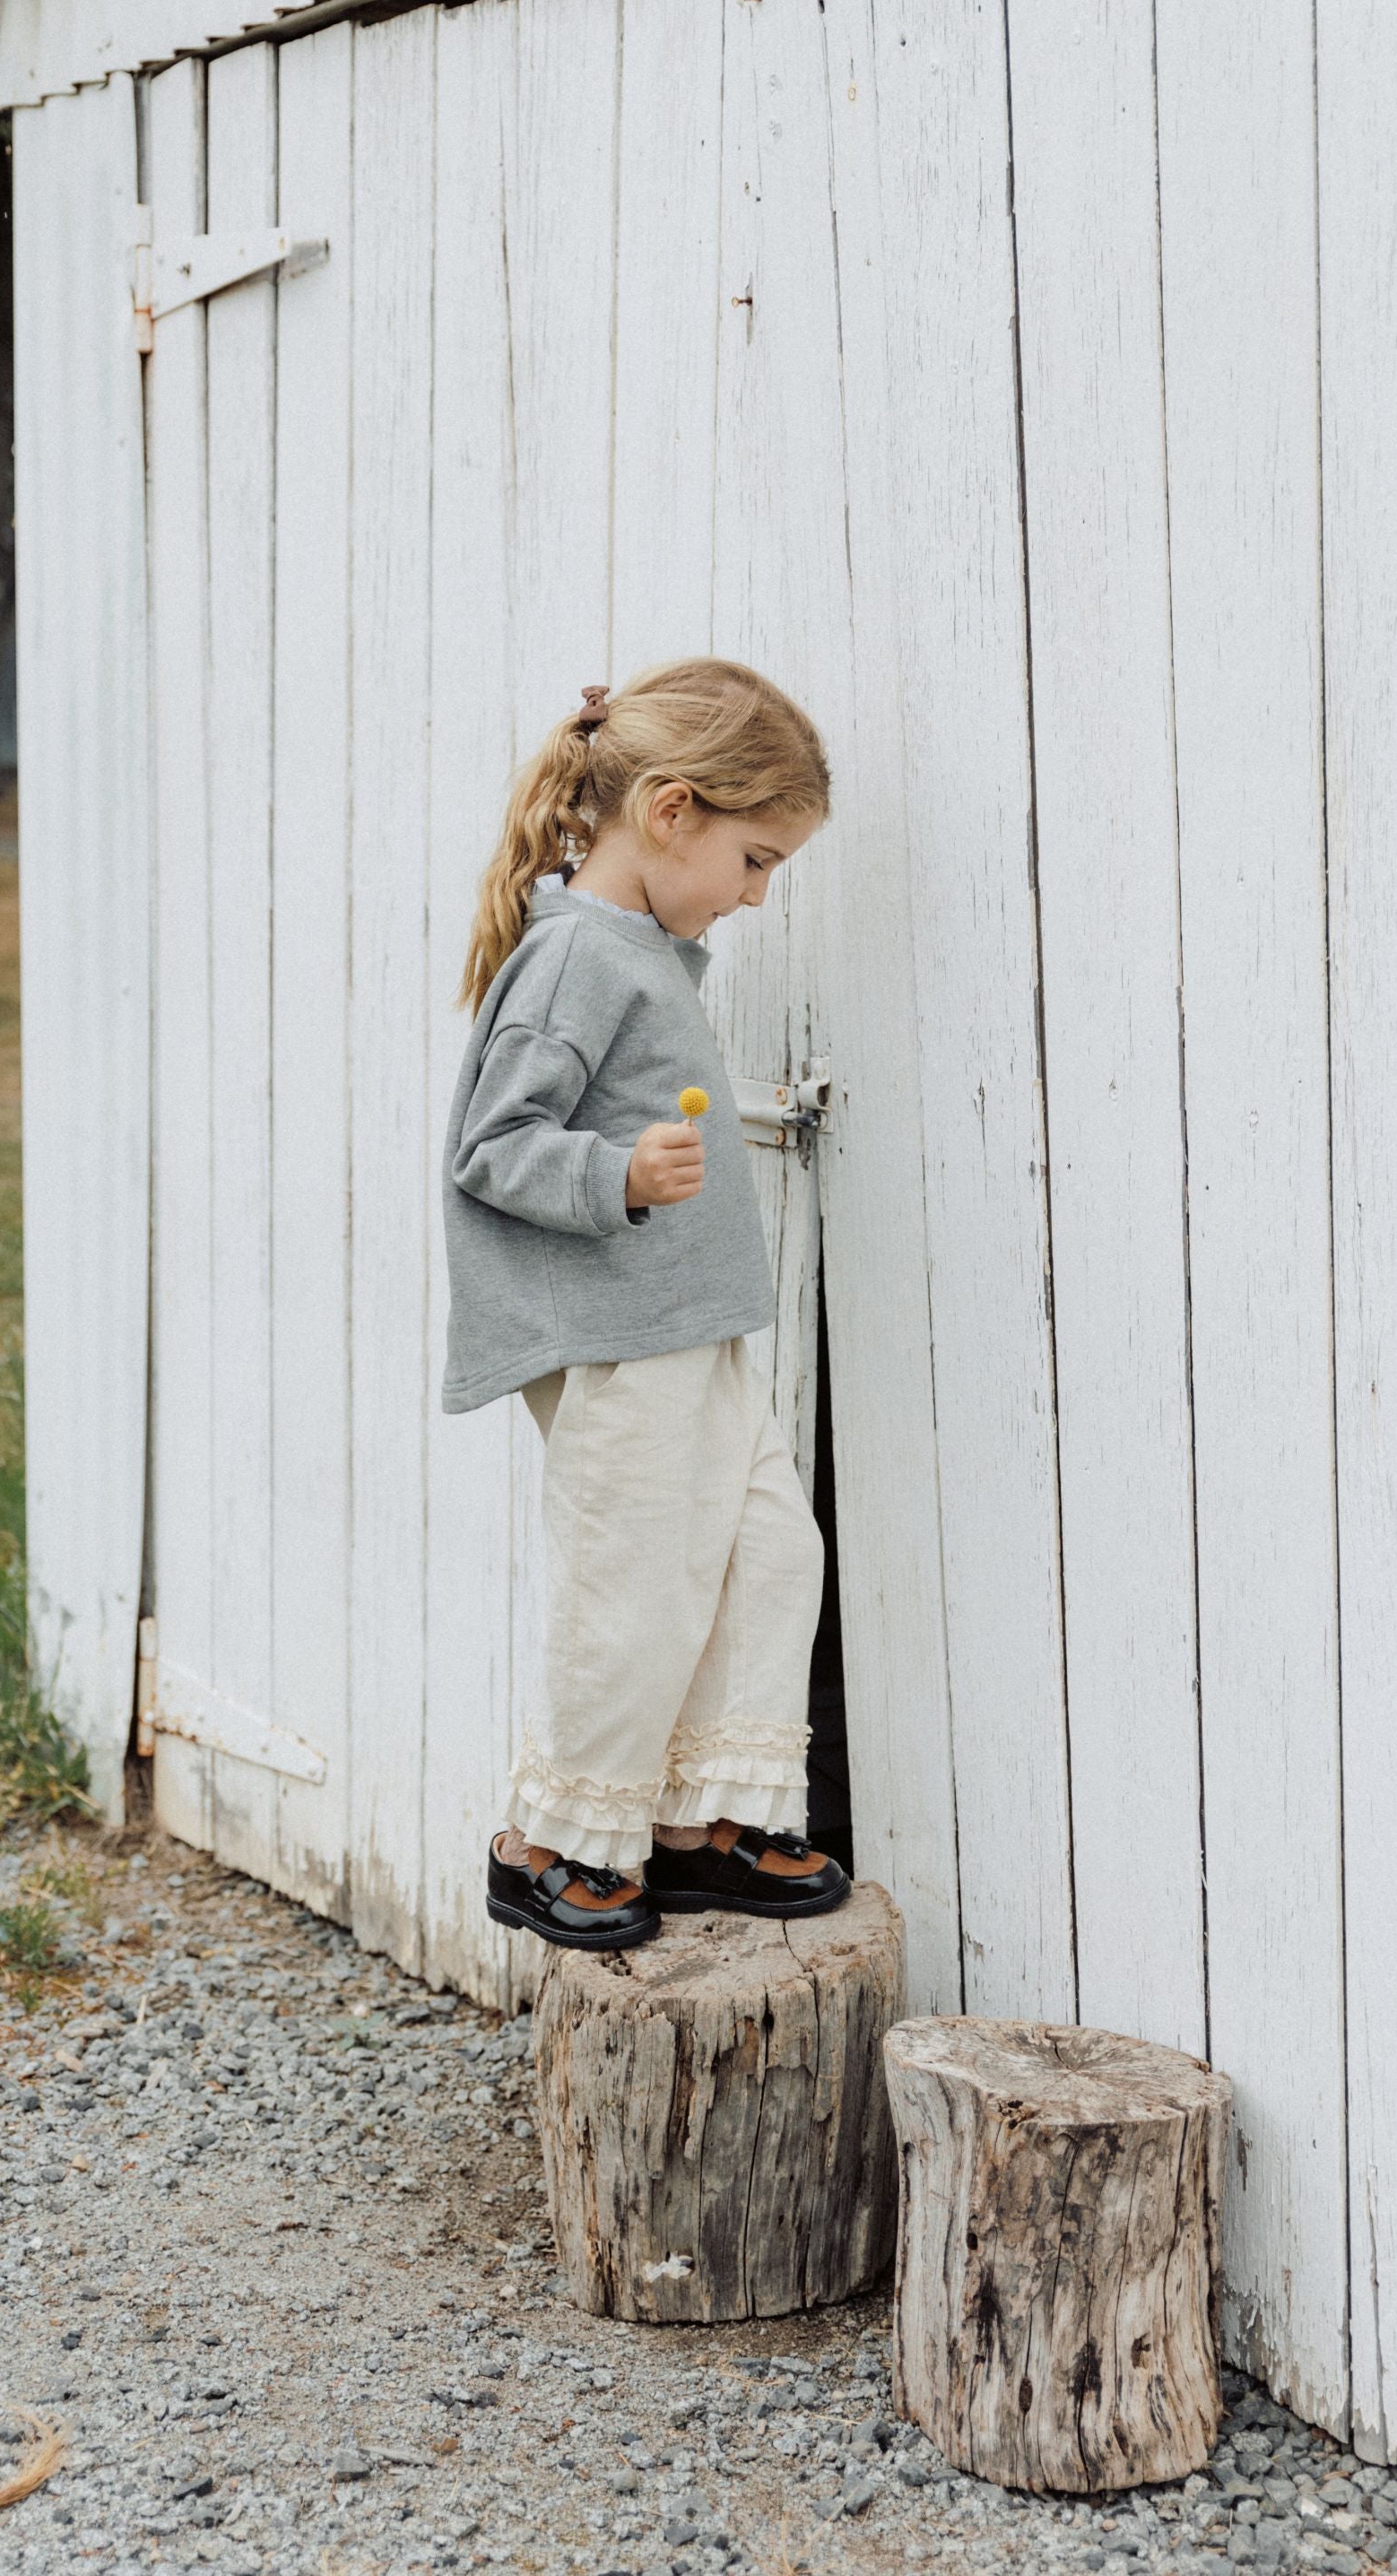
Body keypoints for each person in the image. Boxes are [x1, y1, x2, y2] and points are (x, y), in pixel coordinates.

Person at [441, 657, 850, 1951]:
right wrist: (614, 1171)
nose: (758, 892)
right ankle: (554, 1841)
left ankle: (702, 1820)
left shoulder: (647, 948)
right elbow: (491, 1146)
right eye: (756, 857)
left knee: (770, 1552)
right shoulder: (576, 961)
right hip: (622, 1346)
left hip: (689, 1329)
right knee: (635, 1586)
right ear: (671, 811)